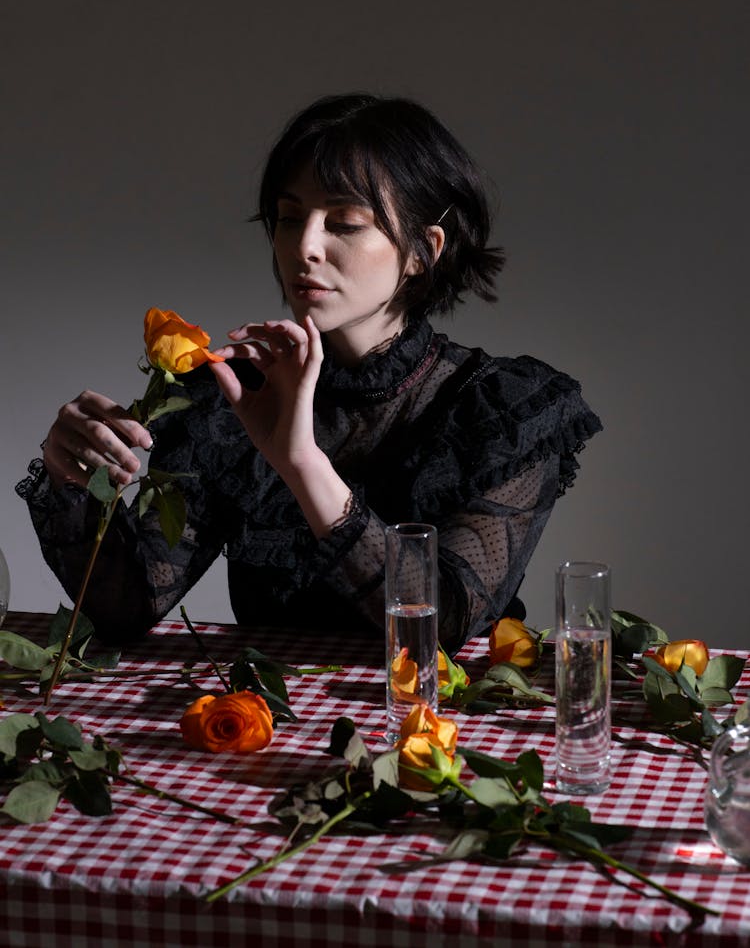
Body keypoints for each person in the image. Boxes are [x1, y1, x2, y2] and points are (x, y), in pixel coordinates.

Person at [16, 93, 602, 654]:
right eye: (290, 218)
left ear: (425, 250)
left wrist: (302, 466)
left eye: (344, 222)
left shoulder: (505, 411)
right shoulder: (233, 397)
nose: (304, 246)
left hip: (437, 728)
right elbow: (128, 607)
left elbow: (441, 626)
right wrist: (72, 478)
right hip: (267, 727)